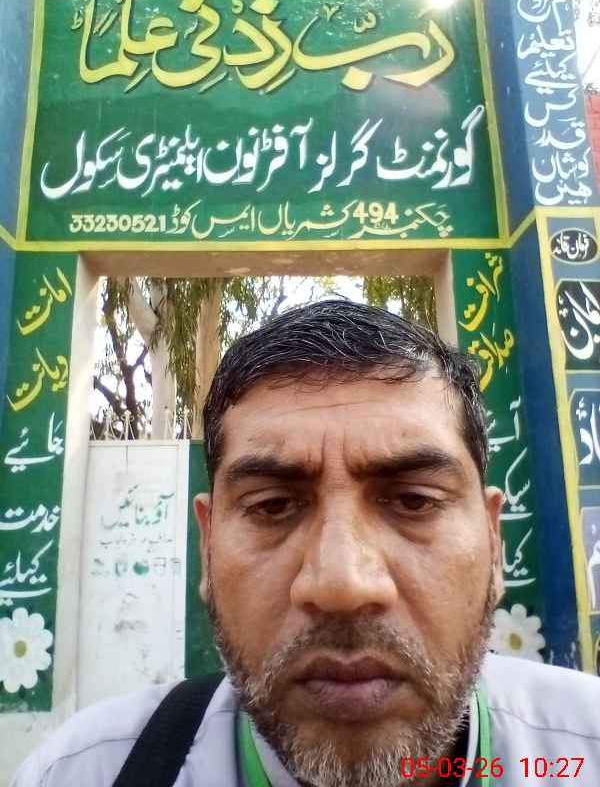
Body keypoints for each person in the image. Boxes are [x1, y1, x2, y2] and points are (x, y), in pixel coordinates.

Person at [12, 300, 600, 787]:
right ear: (208, 545)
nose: (342, 585)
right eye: (272, 506)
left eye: (413, 500)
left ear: (494, 542)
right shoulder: (89, 772)